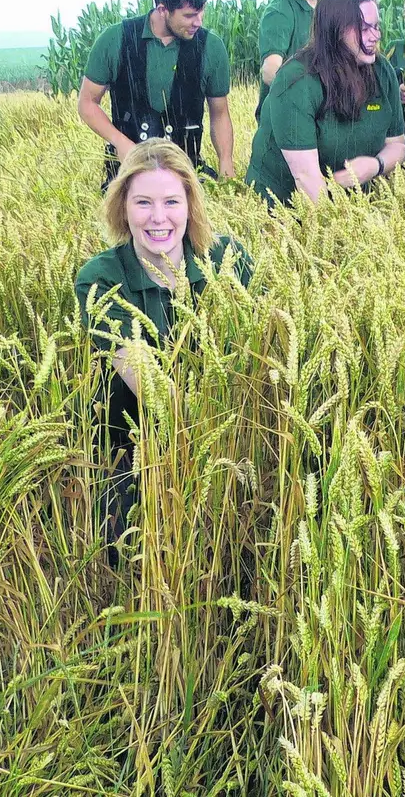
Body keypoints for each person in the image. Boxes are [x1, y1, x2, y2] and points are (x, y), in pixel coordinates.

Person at [74, 139, 253, 562]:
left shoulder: (230, 259)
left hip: (224, 437)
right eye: (143, 203)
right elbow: (144, 377)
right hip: (130, 448)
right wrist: (204, 443)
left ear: (191, 203)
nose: (158, 218)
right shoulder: (100, 277)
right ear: (122, 207)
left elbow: (254, 351)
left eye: (171, 201)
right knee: (126, 557)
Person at [245, 0, 405, 208]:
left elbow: (398, 145)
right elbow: (307, 179)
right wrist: (339, 235)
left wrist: (375, 166)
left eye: (376, 27)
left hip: (350, 203)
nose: (375, 36)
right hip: (282, 205)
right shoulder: (295, 81)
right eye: (364, 28)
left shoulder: (382, 71)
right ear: (335, 31)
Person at [78, 0, 235, 189]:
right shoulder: (114, 40)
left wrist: (226, 166)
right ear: (163, 10)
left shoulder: (212, 47)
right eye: (189, 15)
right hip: (126, 176)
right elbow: (86, 103)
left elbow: (219, 113)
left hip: (187, 176)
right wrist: (122, 144)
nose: (198, 22)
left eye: (201, 12)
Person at [255, 0, 332, 121]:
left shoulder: (330, 7)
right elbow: (270, 71)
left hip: (321, 119)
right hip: (283, 120)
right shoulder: (279, 11)